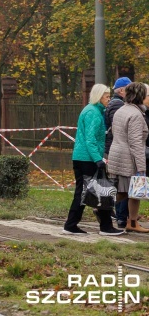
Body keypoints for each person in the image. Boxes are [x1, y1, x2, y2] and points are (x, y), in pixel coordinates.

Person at [63, 84, 123, 236]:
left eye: (109, 96)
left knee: (89, 192)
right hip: (87, 159)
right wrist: (98, 159)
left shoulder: (94, 110)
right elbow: (90, 139)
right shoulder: (93, 113)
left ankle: (74, 224)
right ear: (98, 96)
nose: (109, 99)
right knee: (98, 191)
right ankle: (105, 226)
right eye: (106, 96)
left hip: (84, 157)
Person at [107, 82, 149, 233]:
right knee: (129, 192)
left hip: (117, 154)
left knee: (126, 191)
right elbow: (136, 143)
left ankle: (130, 221)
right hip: (128, 158)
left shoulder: (122, 110)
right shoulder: (136, 115)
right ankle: (102, 208)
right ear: (141, 96)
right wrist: (141, 168)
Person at [105, 76, 131, 228]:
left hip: (116, 147)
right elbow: (120, 127)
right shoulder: (117, 105)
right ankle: (119, 216)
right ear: (121, 90)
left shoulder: (117, 103)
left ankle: (122, 214)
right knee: (122, 184)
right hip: (118, 149)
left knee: (122, 184)